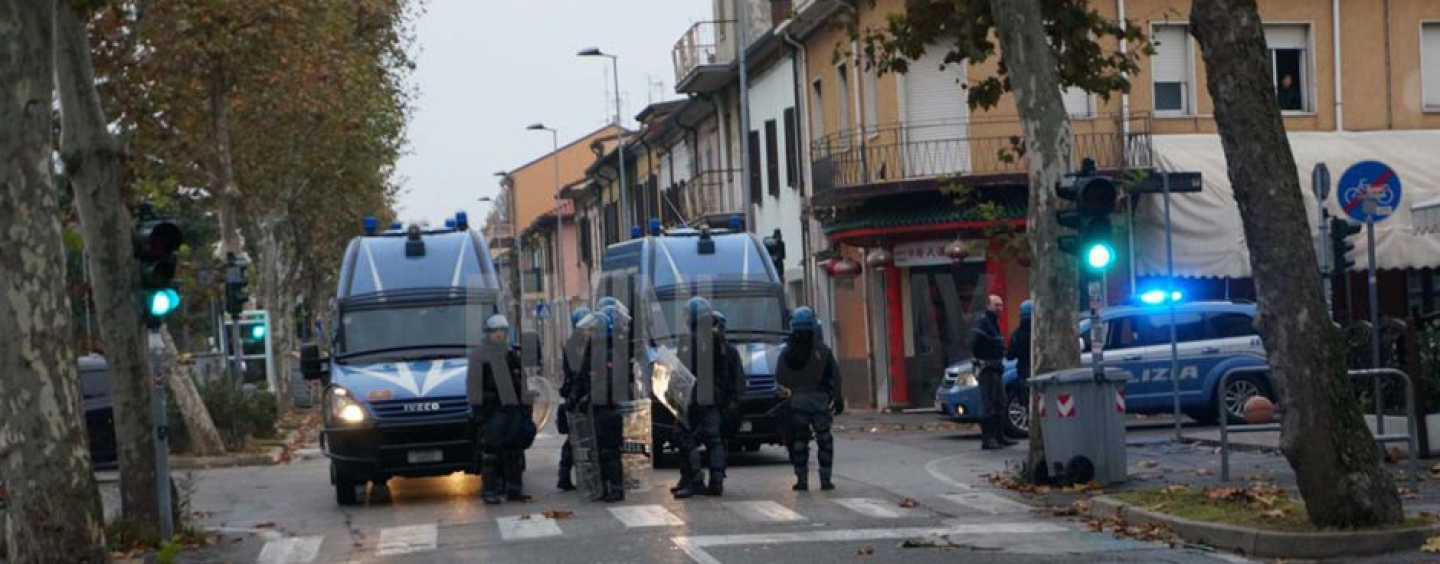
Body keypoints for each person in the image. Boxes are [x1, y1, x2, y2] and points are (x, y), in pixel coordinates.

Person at [673, 298, 743, 499]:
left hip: (693, 397)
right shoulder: (717, 340)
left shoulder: (688, 340)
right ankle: (716, 481)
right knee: (714, 439)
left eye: (687, 315)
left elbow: (682, 371)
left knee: (683, 435)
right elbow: (724, 372)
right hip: (712, 397)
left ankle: (695, 480)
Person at [467, 314, 535, 505]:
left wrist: (525, 407)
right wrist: (480, 413)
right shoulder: (479, 356)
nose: (499, 334)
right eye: (495, 331)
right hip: (493, 410)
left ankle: (514, 489)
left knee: (514, 451)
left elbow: (521, 382)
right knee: (490, 454)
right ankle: (490, 490)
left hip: (512, 409)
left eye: (502, 331)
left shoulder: (511, 354)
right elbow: (473, 387)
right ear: (488, 333)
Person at [775, 306, 842, 491]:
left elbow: (780, 379)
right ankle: (825, 479)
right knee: (824, 440)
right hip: (819, 402)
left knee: (799, 442)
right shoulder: (822, 350)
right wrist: (836, 398)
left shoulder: (787, 353)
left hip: (797, 403)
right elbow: (834, 377)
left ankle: (802, 479)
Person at [556, 306, 591, 492]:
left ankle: (567, 476)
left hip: (577, 394)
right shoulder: (575, 345)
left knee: (576, 437)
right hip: (577, 396)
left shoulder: (579, 343)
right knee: (576, 437)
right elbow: (577, 373)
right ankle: (565, 476)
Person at [972, 295, 1013, 450]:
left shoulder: (994, 324)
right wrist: (986, 359)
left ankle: (999, 436)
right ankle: (988, 439)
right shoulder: (983, 323)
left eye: (1001, 305)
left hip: (996, 368)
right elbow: (976, 345)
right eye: (996, 305)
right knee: (989, 404)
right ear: (988, 306)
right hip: (987, 369)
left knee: (1000, 403)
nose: (999, 308)